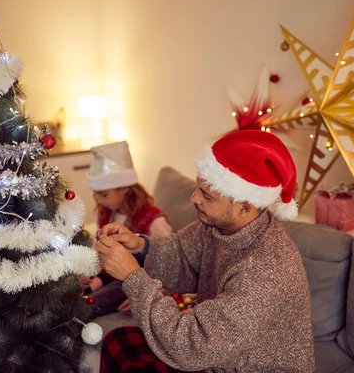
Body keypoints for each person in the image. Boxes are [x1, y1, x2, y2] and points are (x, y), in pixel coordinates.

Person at [95, 130, 314, 372]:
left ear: (244, 207)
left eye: (206, 195)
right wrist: (140, 246)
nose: (193, 198)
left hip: (234, 364)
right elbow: (182, 254)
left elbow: (192, 346)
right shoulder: (220, 224)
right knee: (119, 343)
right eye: (198, 187)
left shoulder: (266, 270)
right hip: (216, 355)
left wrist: (132, 277)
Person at [81, 141, 172, 317]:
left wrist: (145, 296)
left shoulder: (154, 219)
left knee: (86, 308)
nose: (99, 201)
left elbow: (168, 262)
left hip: (133, 281)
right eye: (96, 195)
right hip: (107, 276)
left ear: (124, 188)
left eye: (104, 194)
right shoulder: (106, 213)